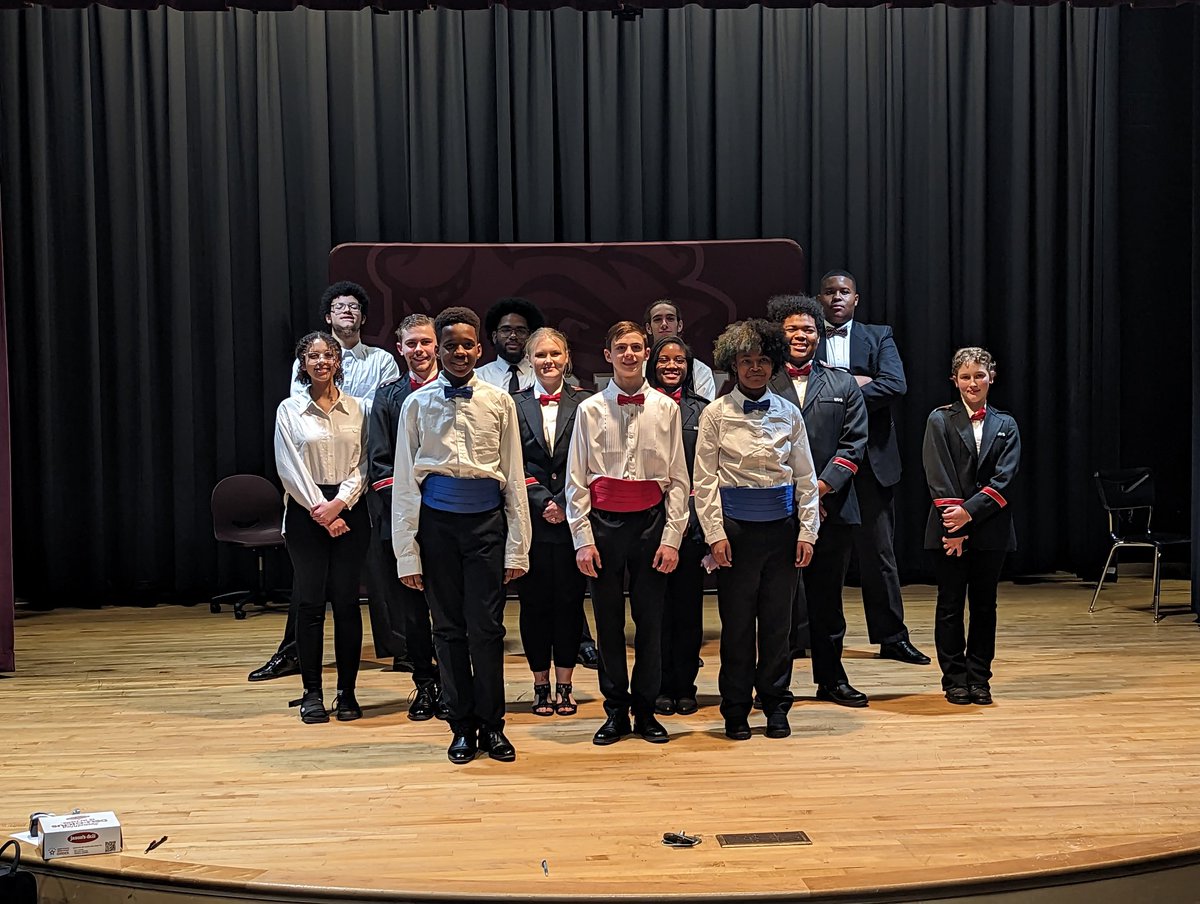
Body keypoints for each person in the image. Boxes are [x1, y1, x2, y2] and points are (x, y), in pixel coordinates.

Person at [392, 306, 532, 764]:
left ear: (479, 348)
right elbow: (405, 484)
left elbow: (513, 477)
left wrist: (518, 547)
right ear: (438, 347)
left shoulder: (500, 401)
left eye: (466, 345)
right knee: (448, 629)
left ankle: (493, 725)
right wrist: (407, 554)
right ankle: (461, 726)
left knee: (487, 628)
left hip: (486, 526)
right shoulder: (415, 403)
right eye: (449, 344)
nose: (458, 352)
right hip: (436, 527)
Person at [250, 281, 400, 683]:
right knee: (310, 585)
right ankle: (294, 655)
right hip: (313, 491)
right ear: (328, 316)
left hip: (358, 478)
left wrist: (344, 501)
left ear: (363, 317)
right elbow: (297, 430)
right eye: (339, 307)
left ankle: (395, 647)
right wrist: (323, 508)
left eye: (354, 307)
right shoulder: (304, 369)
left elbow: (376, 411)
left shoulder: (382, 360)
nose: (347, 312)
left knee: (371, 573)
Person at [694, 319, 820, 740]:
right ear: (733, 365)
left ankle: (776, 703)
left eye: (763, 360)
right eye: (747, 361)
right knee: (736, 626)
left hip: (782, 531)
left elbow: (805, 477)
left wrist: (807, 532)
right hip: (735, 532)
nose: (755, 369)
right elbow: (705, 480)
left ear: (775, 365)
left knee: (777, 624)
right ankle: (734, 708)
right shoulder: (715, 414)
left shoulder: (789, 412)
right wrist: (715, 534)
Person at [565, 321, 690, 746]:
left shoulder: (667, 409)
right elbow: (577, 480)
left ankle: (647, 710)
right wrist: (582, 538)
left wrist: (672, 538)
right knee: (608, 624)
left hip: (651, 524)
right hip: (603, 526)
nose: (631, 354)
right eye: (622, 347)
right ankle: (615, 710)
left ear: (648, 352)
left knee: (651, 623)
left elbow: (677, 478)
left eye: (638, 347)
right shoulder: (589, 409)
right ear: (608, 355)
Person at [816, 270, 929, 666]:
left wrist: (839, 390)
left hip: (872, 464)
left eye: (844, 292)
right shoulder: (806, 338)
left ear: (856, 298)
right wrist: (856, 384)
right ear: (820, 298)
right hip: (824, 467)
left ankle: (892, 637)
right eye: (829, 292)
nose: (836, 298)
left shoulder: (878, 335)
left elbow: (895, 385)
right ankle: (804, 638)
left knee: (879, 554)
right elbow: (802, 392)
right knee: (815, 555)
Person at [766, 294, 870, 707]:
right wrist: (797, 498)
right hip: (776, 511)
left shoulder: (843, 383)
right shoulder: (760, 380)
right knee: (779, 606)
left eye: (808, 329)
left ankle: (832, 680)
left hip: (834, 510)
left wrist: (817, 492)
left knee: (828, 604)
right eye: (792, 328)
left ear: (820, 334)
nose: (800, 335)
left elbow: (854, 445)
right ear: (780, 333)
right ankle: (775, 685)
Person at [273, 331, 370, 723]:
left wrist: (339, 504)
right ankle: (312, 692)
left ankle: (347, 693)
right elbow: (288, 467)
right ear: (303, 364)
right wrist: (321, 511)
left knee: (347, 604)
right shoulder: (288, 410)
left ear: (337, 361)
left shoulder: (360, 408)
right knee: (310, 604)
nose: (321, 361)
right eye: (312, 356)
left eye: (328, 354)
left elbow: (364, 463)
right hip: (305, 512)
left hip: (350, 510)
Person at [922, 347, 1021, 706]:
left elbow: (1005, 480)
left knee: (985, 605)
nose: (973, 382)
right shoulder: (939, 419)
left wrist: (970, 515)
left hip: (991, 530)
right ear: (955, 380)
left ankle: (980, 677)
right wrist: (956, 525)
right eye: (965, 376)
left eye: (979, 375)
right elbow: (939, 475)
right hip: (949, 530)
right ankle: (954, 679)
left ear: (991, 377)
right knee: (949, 604)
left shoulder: (1006, 424)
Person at [367, 314, 446, 721]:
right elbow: (380, 463)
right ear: (400, 348)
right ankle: (425, 684)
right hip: (405, 518)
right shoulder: (388, 396)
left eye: (426, 343)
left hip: (452, 516)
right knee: (412, 610)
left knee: (452, 607)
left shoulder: (459, 391)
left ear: (438, 346)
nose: (419, 350)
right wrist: (409, 511)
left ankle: (453, 683)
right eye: (411, 343)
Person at [512, 328, 591, 717]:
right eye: (540, 354)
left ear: (566, 357)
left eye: (555, 353)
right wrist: (544, 501)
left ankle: (566, 683)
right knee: (534, 605)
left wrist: (563, 502)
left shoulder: (588, 403)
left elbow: (592, 460)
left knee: (570, 603)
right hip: (531, 521)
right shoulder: (512, 404)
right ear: (529, 359)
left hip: (575, 517)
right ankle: (540, 685)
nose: (548, 360)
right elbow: (510, 461)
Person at [644, 336, 708, 716]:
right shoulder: (640, 408)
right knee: (654, 612)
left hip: (691, 525)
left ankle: (684, 686)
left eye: (679, 360)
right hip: (649, 524)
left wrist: (690, 520)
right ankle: (656, 686)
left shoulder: (704, 411)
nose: (672, 366)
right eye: (665, 359)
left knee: (688, 609)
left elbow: (708, 471)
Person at [644, 299, 717, 401]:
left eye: (670, 319)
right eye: (657, 319)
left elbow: (704, 412)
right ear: (648, 328)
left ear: (680, 325)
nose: (664, 324)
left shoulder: (700, 371)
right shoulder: (639, 368)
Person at [475, 297, 546, 393]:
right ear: (494, 336)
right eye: (506, 330)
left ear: (531, 336)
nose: (513, 336)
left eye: (520, 331)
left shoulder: (543, 375)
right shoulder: (478, 377)